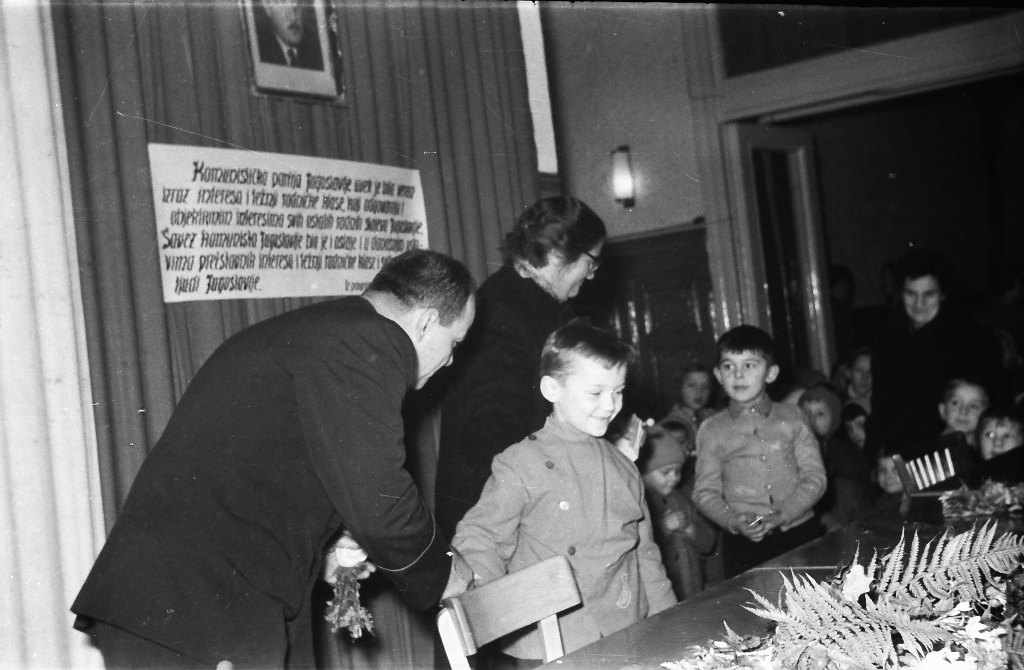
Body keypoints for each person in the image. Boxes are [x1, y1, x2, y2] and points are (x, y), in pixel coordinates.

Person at [71, 250, 477, 669]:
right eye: (454, 343)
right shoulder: (370, 339)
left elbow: (266, 474)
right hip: (197, 604)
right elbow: (380, 499)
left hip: (192, 596)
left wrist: (322, 552)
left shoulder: (327, 331)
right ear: (425, 322)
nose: (450, 361)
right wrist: (449, 573)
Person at [452, 322, 676, 662]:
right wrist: (482, 606)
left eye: (618, 391)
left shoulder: (624, 468)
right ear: (552, 389)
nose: (610, 405)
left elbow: (646, 556)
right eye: (595, 393)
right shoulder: (520, 463)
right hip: (549, 640)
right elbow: (482, 539)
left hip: (622, 629)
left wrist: (670, 623)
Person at [434, 196, 606, 541]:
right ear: (559, 254)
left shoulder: (535, 305)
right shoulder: (503, 311)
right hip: (497, 520)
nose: (592, 274)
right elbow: (491, 435)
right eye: (592, 262)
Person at [692, 325, 826, 578]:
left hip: (798, 531)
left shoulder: (793, 417)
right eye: (728, 366)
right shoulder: (711, 429)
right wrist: (733, 520)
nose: (738, 374)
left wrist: (785, 514)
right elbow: (704, 492)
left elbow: (815, 477)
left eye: (749, 365)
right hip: (744, 541)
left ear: (771, 373)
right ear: (718, 375)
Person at [869, 250, 1004, 458]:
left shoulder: (974, 340)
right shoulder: (886, 343)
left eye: (928, 294)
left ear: (943, 294)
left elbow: (994, 407)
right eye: (911, 294)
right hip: (900, 458)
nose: (919, 304)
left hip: (957, 454)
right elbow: (880, 408)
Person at [638, 424, 717, 601]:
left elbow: (708, 542)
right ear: (644, 473)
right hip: (663, 597)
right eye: (666, 472)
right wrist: (663, 527)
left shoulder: (681, 500)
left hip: (692, 589)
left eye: (677, 471)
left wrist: (690, 529)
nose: (674, 477)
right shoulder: (641, 506)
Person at [798, 386, 875, 532]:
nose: (811, 420)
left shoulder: (844, 454)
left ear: (833, 418)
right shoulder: (796, 448)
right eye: (806, 413)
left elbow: (859, 501)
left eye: (820, 414)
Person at [254, 0, 325, 70]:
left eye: (297, 2)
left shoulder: (319, 51)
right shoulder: (258, 52)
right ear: (267, 6)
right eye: (283, 3)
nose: (293, 17)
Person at [662, 363, 717, 449]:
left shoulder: (713, 417)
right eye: (692, 386)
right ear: (680, 388)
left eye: (705, 386)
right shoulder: (670, 425)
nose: (699, 391)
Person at [937, 378, 989, 448]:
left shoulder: (989, 451)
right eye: (955, 403)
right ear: (942, 410)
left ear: (985, 414)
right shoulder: (928, 450)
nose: (963, 412)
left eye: (973, 406)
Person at [843, 347, 872, 414]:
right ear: (848, 373)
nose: (864, 377)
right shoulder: (837, 403)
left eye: (870, 371)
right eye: (859, 371)